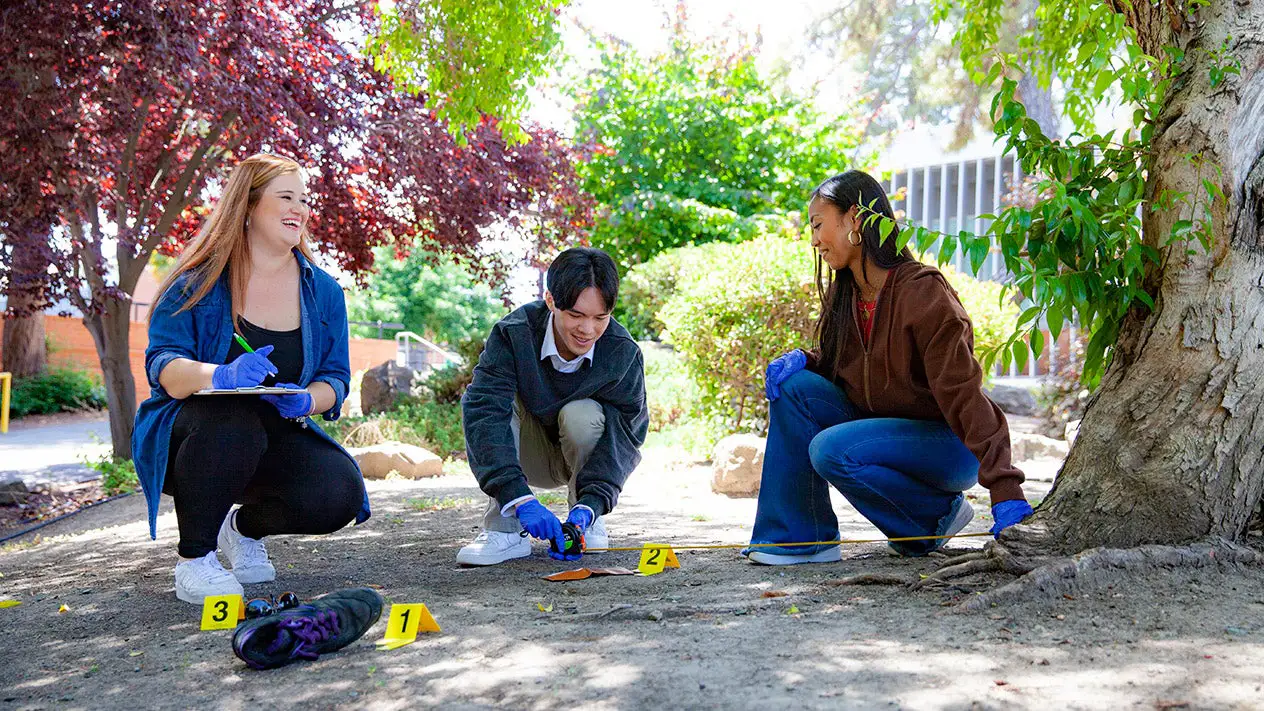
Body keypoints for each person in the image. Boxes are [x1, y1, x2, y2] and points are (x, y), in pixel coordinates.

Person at [747, 169, 1034, 565]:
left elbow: (963, 392)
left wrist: (1005, 489)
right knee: (793, 387)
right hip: (883, 434)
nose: (814, 240)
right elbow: (845, 370)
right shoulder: (846, 294)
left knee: (830, 449)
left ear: (855, 219)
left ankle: (931, 517)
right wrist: (807, 361)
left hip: (946, 445)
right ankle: (800, 539)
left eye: (818, 225)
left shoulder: (922, 292)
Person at [132, 153, 370, 603]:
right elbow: (165, 370)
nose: (300, 208)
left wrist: (306, 401)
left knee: (339, 493)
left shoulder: (323, 291)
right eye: (286, 197)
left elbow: (335, 379)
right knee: (234, 421)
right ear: (248, 205)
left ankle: (239, 529)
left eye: (304, 199)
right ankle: (195, 560)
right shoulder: (195, 282)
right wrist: (221, 375)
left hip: (274, 434)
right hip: (197, 439)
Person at [457, 247, 649, 566]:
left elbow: (625, 435)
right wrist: (516, 497)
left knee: (582, 414)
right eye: (576, 315)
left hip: (581, 461)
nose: (587, 330)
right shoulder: (513, 334)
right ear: (550, 301)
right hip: (525, 454)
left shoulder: (622, 353)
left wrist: (592, 502)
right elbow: (484, 412)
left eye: (600, 318)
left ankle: (585, 523)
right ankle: (505, 529)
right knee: (495, 399)